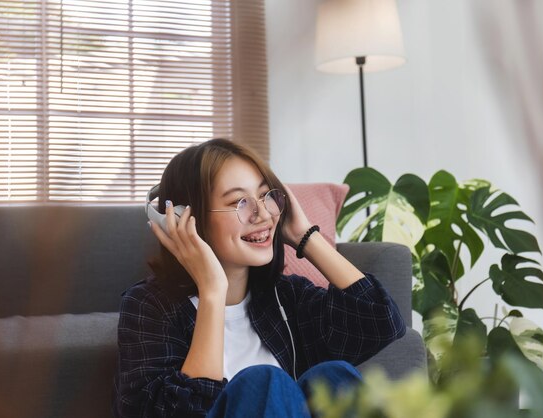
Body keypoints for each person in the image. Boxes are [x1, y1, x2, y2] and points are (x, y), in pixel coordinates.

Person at [112, 138, 406, 417]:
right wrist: (212, 290)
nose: (262, 213)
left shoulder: (284, 296)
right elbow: (177, 412)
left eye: (267, 196)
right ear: (184, 220)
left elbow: (381, 322)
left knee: (333, 376)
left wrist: (305, 237)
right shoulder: (148, 308)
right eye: (240, 202)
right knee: (263, 383)